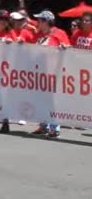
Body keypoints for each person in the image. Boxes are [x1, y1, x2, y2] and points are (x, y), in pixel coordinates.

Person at [30, 10, 70, 139]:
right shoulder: (40, 35)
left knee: (52, 100)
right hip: (40, 73)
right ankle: (43, 125)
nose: (37, 23)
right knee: (40, 99)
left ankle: (54, 127)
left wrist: (64, 47)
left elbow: (69, 49)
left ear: (46, 22)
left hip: (54, 73)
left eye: (40, 20)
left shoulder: (59, 33)